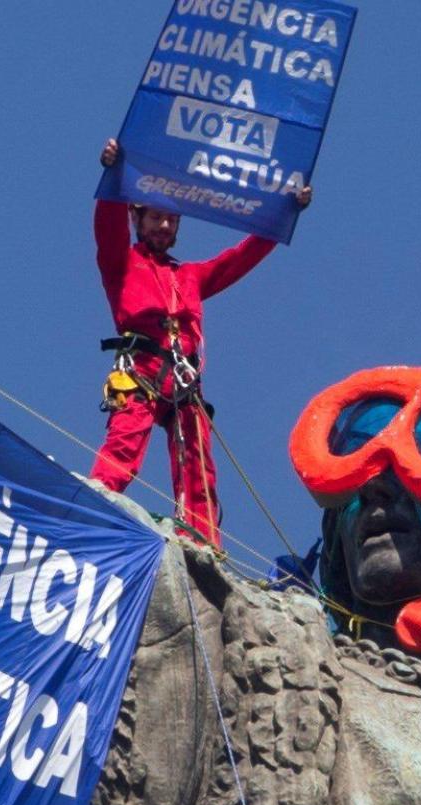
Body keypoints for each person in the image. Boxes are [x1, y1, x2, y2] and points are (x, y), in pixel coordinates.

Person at [90, 137, 312, 547]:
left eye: (171, 220)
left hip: (184, 382)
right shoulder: (123, 264)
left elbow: (237, 260)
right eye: (155, 217)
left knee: (198, 459)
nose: (163, 226)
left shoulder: (188, 276)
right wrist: (115, 175)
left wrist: (285, 211)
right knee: (127, 436)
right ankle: (96, 499)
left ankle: (202, 539)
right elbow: (107, 227)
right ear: (138, 219)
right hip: (141, 369)